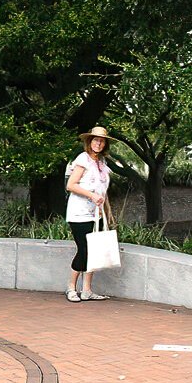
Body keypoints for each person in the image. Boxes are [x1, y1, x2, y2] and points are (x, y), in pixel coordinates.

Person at [64, 126, 116, 302]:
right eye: (95, 140)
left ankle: (87, 290)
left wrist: (108, 213)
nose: (98, 143)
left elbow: (103, 192)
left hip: (97, 215)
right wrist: (91, 195)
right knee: (84, 249)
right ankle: (71, 287)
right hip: (79, 213)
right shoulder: (83, 159)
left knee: (93, 251)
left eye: (101, 141)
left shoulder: (102, 164)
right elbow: (71, 184)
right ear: (89, 141)